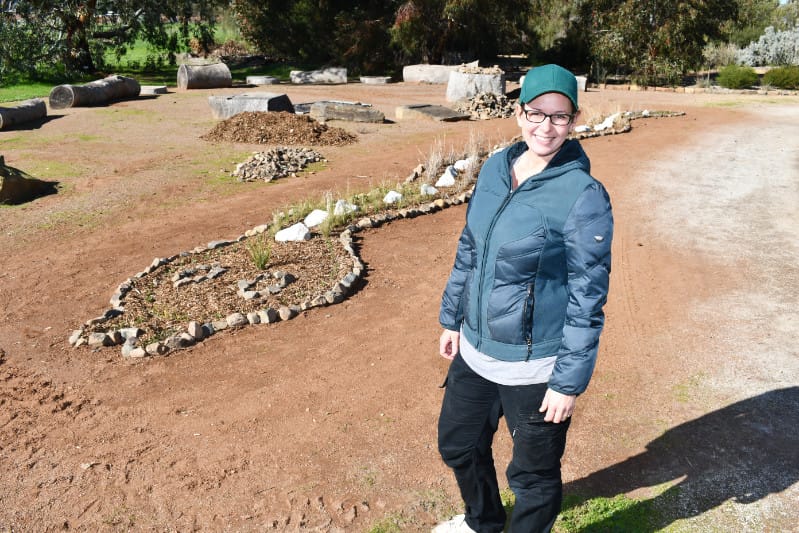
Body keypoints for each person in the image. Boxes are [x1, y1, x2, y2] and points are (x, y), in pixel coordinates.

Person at [433, 64, 613, 533]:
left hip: (536, 368)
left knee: (532, 478)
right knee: (458, 445)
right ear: (519, 114)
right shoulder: (495, 167)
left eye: (560, 117)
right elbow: (471, 246)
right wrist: (452, 319)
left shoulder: (584, 195)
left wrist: (567, 383)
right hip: (474, 350)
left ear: (574, 121)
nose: (546, 127)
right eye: (537, 113)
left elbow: (587, 297)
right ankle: (483, 522)